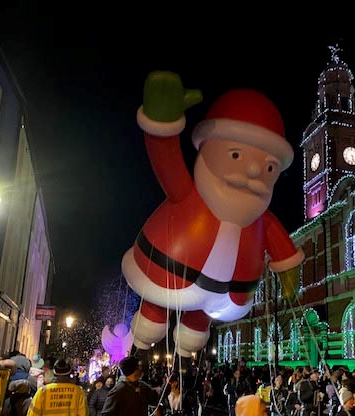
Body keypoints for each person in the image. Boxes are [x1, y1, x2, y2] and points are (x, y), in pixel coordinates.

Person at [122, 71, 304, 358]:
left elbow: (283, 249)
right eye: (235, 155)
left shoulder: (261, 220)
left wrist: (289, 271)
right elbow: (165, 158)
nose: (255, 171)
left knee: (197, 324)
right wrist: (161, 120)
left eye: (269, 168)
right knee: (156, 308)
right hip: (166, 271)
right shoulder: (188, 194)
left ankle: (190, 335)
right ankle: (151, 321)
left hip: (224, 294)